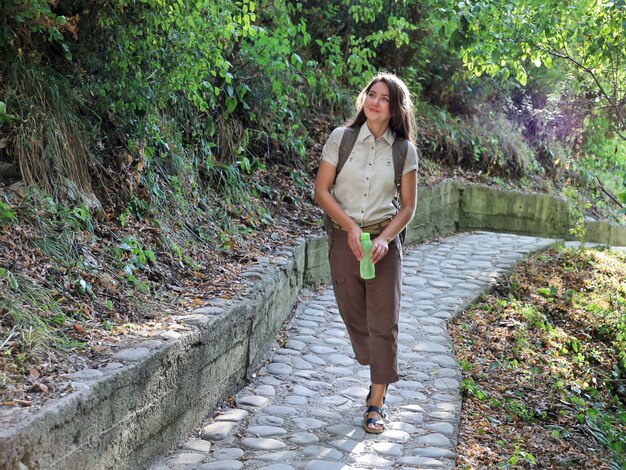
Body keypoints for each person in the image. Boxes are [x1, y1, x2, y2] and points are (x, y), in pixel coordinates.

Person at [314, 72, 418, 434]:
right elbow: (322, 192)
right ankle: (378, 363)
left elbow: (407, 207)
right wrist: (352, 228)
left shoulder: (404, 150)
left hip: (383, 247)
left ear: (394, 109)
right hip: (346, 241)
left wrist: (386, 239)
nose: (374, 102)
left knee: (383, 323)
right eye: (371, 95)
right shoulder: (341, 140)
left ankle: (376, 401)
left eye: (384, 98)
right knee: (354, 317)